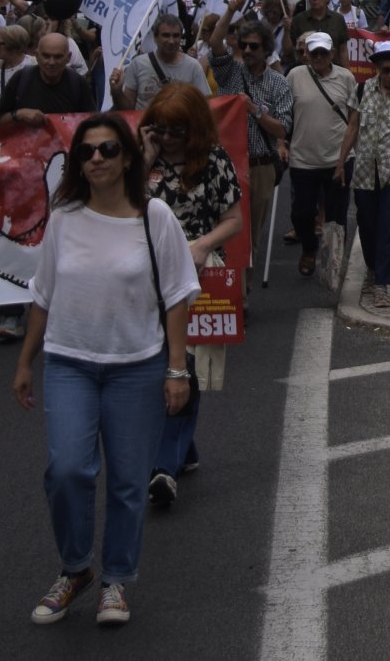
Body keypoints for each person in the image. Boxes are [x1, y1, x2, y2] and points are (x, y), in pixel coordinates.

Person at [11, 112, 200, 629]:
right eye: (86, 151)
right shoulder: (64, 217)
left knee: (127, 482)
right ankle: (76, 569)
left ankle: (116, 577)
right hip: (68, 362)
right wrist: (25, 361)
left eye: (108, 149)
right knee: (68, 471)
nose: (96, 158)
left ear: (128, 158)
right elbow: (43, 295)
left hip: (136, 367)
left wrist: (177, 369)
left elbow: (177, 296)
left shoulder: (155, 217)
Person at [141, 84, 243, 506]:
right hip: (146, 276)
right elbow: (119, 208)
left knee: (187, 366)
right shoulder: (140, 161)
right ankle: (185, 448)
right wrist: (144, 157)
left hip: (199, 275)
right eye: (160, 129)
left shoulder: (214, 160)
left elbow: (233, 220)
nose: (167, 138)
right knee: (156, 364)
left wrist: (202, 246)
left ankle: (164, 467)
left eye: (176, 131)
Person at [342, 42, 390, 311]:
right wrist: (340, 163)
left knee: (388, 228)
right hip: (365, 168)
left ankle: (382, 284)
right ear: (377, 67)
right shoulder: (361, 90)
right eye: (386, 70)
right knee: (367, 225)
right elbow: (352, 127)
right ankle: (372, 268)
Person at [207, 22, 291, 247]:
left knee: (250, 235)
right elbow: (214, 42)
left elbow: (282, 129)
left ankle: (249, 271)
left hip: (261, 166)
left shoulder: (279, 83)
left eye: (254, 46)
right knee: (222, 229)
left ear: (267, 50)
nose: (247, 50)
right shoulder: (228, 73)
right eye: (243, 45)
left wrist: (255, 111)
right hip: (227, 165)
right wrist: (230, 10)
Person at [285, 30, 356, 277]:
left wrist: (351, 152)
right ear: (306, 53)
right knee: (302, 213)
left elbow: (354, 118)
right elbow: (285, 113)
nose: (318, 57)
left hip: (338, 159)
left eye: (323, 53)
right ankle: (309, 248)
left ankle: (333, 262)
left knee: (336, 216)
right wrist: (282, 141)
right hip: (303, 160)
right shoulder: (295, 75)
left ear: (332, 54)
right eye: (313, 53)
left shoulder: (346, 78)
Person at [0, 29, 103, 122]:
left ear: (68, 58)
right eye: (46, 56)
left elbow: (91, 123)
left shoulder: (77, 83)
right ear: (37, 56)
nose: (51, 62)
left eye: (58, 57)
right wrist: (19, 114)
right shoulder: (21, 79)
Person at [116, 13, 209, 109]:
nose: (171, 41)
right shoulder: (138, 64)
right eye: (166, 35)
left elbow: (204, 105)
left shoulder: (193, 67)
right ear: (155, 38)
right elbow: (127, 108)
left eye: (176, 36)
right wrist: (116, 91)